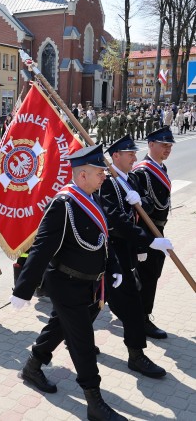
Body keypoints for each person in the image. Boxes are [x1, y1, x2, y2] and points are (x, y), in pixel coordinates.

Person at [11, 145, 127, 421]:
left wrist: (114, 267)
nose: (105, 177)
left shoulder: (92, 198)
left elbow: (104, 241)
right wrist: (23, 289)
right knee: (83, 342)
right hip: (66, 284)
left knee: (59, 326)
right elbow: (42, 248)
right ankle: (94, 402)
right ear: (83, 174)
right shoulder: (64, 204)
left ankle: (33, 365)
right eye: (100, 172)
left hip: (90, 284)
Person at [99, 135, 170, 378]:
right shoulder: (108, 184)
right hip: (112, 254)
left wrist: (140, 201)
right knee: (126, 306)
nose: (135, 158)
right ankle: (136, 356)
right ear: (115, 156)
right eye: (130, 154)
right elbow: (116, 222)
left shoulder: (133, 179)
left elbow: (149, 205)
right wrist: (150, 240)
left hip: (129, 251)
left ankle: (134, 353)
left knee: (101, 304)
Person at [131, 126, 174, 339]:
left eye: (169, 146)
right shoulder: (142, 171)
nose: (167, 149)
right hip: (147, 232)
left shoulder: (160, 168)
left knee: (152, 274)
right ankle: (142, 319)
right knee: (147, 276)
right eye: (163, 145)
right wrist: (141, 244)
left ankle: (139, 313)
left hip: (159, 229)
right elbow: (137, 210)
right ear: (150, 144)